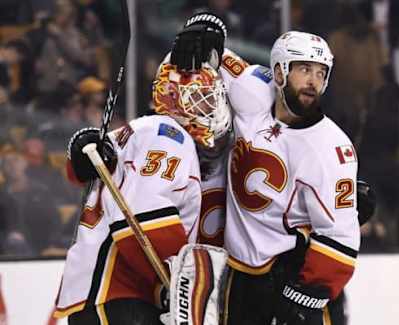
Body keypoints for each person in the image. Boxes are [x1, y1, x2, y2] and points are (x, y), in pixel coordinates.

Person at [171, 17, 360, 325]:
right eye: (303, 69)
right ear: (279, 73)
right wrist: (208, 31)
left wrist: (306, 295)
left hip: (292, 270)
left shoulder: (332, 148)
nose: (313, 81)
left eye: (320, 73)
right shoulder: (253, 90)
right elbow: (214, 57)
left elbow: (341, 236)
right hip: (240, 274)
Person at [54, 64, 231, 324]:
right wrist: (180, 283)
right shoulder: (169, 135)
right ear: (171, 96)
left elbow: (78, 169)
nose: (209, 107)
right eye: (197, 97)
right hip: (120, 293)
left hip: (110, 296)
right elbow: (144, 216)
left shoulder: (144, 130)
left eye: (210, 97)